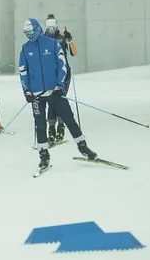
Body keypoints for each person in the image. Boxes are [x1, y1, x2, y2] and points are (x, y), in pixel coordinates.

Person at [18, 18, 97, 170]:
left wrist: (60, 86)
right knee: (40, 125)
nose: (29, 35)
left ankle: (83, 147)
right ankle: (44, 155)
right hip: (36, 95)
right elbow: (23, 71)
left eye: (31, 32)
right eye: (26, 33)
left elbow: (63, 65)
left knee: (69, 118)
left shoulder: (52, 43)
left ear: (37, 29)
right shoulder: (25, 48)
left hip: (54, 91)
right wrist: (26, 91)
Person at [44, 14, 78, 145]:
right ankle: (51, 129)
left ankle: (61, 127)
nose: (51, 31)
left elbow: (74, 53)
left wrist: (69, 40)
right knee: (50, 101)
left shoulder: (61, 38)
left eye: (53, 28)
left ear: (56, 27)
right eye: (49, 29)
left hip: (63, 74)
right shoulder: (42, 39)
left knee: (60, 100)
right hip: (48, 75)